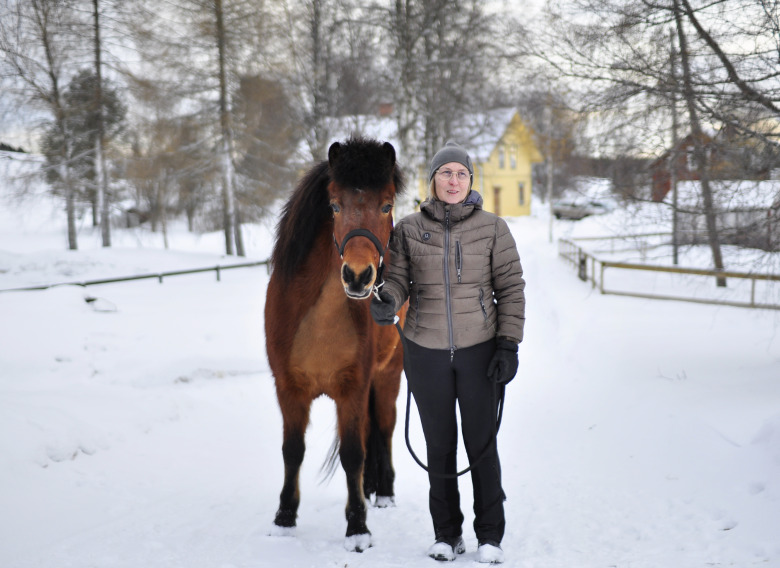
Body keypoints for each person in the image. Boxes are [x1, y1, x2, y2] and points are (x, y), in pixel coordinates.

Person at [370, 141, 525, 564]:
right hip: (425, 352)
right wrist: (386, 298)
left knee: (481, 445)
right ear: (433, 180)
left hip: (480, 351)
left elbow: (510, 288)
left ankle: (490, 535)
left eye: (460, 173)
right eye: (445, 173)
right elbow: (398, 281)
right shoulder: (408, 229)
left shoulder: (493, 228)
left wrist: (508, 344)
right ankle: (447, 534)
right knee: (439, 446)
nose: (453, 181)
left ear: (470, 180)